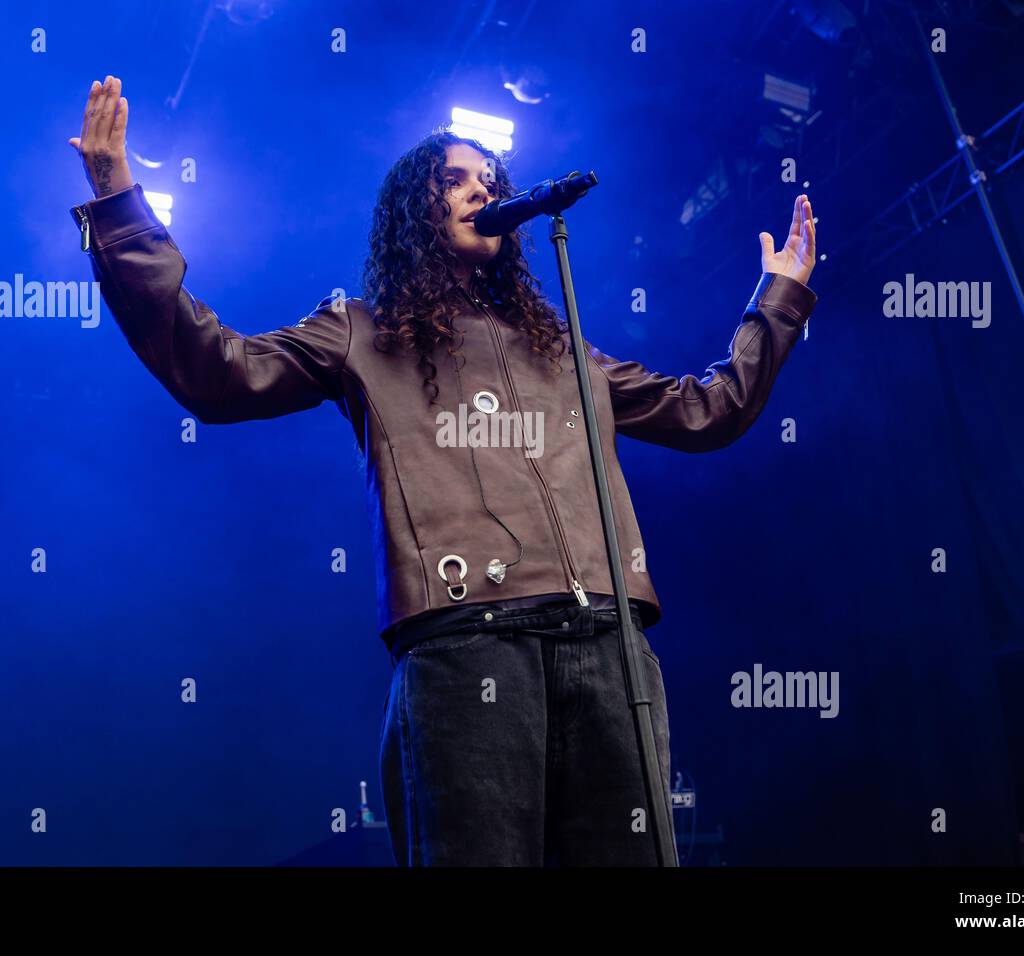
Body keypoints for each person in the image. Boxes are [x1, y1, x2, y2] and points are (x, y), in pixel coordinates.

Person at [68, 75, 818, 866]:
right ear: (411, 210)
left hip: (610, 644)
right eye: (453, 180)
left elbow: (709, 410)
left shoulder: (563, 349)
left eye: (490, 181)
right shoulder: (360, 331)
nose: (480, 191)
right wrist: (119, 205)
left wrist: (778, 302)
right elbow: (212, 370)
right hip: (469, 649)